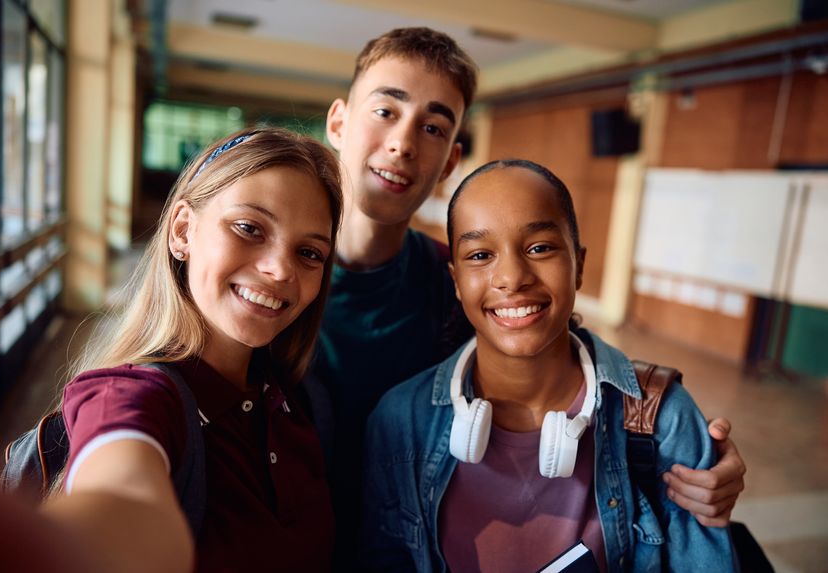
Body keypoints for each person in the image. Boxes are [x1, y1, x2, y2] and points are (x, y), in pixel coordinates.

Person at [310, 26, 745, 563]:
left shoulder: (450, 283)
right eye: (385, 111)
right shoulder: (275, 280)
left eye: (432, 126)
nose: (402, 143)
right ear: (338, 121)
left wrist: (671, 431)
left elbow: (546, 337)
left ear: (449, 160)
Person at [362, 159, 739, 572]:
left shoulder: (662, 420)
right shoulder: (400, 422)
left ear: (578, 264)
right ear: (455, 280)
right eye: (480, 254)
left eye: (539, 248)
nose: (511, 277)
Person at [37, 127, 343, 572]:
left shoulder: (297, 400)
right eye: (249, 228)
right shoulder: (128, 395)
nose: (280, 270)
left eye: (309, 253)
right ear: (182, 230)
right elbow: (121, 494)